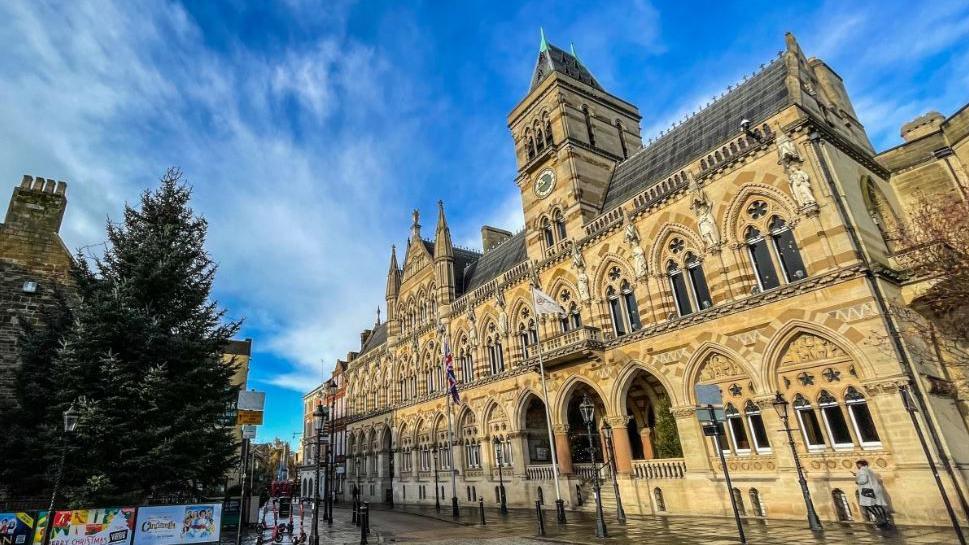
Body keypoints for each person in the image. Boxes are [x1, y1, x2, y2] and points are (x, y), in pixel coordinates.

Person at [854, 460, 891, 528]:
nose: (857, 466)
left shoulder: (862, 470)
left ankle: (879, 518)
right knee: (877, 504)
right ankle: (884, 519)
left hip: (868, 489)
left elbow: (864, 480)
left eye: (857, 465)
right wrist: (857, 475)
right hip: (875, 488)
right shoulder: (869, 470)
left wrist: (857, 481)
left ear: (860, 465)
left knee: (867, 505)